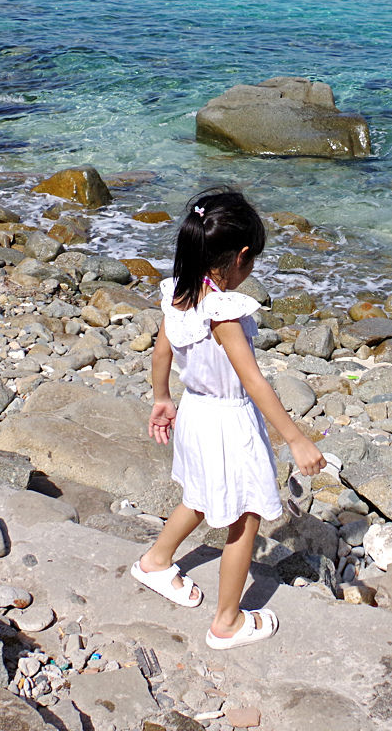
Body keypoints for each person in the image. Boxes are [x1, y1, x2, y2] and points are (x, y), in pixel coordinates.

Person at [131, 188, 326, 649]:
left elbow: (162, 350)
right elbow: (254, 382)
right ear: (240, 257)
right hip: (228, 421)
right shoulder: (224, 313)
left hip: (195, 411)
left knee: (199, 495)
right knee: (245, 517)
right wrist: (296, 438)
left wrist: (162, 396)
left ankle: (157, 561)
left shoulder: (179, 294)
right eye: (251, 260)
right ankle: (227, 621)